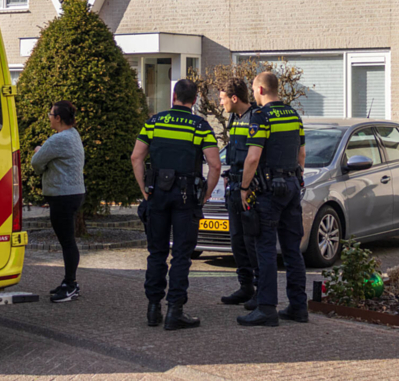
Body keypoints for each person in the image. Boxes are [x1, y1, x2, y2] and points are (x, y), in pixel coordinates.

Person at [131, 79, 221, 330]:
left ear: (174, 96)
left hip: (157, 194)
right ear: (195, 100)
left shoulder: (154, 122)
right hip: (185, 197)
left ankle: (152, 310)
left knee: (156, 252)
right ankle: (175, 311)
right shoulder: (199, 126)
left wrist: (144, 189)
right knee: (181, 254)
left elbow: (136, 156)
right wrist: (205, 194)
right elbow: (215, 164)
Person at [237, 72, 308, 327]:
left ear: (262, 90)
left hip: (269, 191)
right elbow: (301, 154)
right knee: (292, 249)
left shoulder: (261, 117)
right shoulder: (293, 115)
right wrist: (297, 179)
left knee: (264, 248)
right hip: (291, 187)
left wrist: (244, 188)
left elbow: (253, 157)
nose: (253, 95)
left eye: (255, 90)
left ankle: (267, 308)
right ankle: (299, 306)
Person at [31, 100, 86, 303]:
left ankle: (70, 284)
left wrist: (39, 152)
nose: (49, 117)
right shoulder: (73, 135)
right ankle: (68, 282)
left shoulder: (58, 140)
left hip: (62, 196)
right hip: (73, 194)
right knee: (68, 240)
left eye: (50, 114)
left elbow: (36, 163)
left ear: (58, 118)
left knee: (67, 242)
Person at [218, 78, 259, 307]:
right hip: (233, 186)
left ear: (234, 98)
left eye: (223, 98)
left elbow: (255, 157)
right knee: (236, 241)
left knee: (251, 239)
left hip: (249, 188)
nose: (220, 103)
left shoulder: (256, 118)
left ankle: (259, 289)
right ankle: (245, 287)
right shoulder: (234, 117)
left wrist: (246, 186)